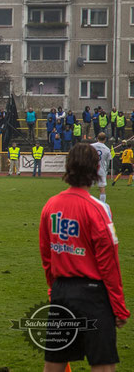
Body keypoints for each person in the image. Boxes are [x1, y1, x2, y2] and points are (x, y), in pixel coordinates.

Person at [39, 143, 129, 371]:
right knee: (103, 365)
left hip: (62, 293)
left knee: (54, 365)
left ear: (68, 167)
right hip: (93, 296)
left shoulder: (51, 205)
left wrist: (54, 288)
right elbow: (109, 263)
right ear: (96, 169)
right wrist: (118, 306)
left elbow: (47, 255)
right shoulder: (97, 209)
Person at [91, 133, 111, 203]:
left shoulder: (91, 146)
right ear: (105, 139)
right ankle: (102, 204)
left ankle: (85, 202)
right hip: (101, 170)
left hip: (91, 169)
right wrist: (106, 170)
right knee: (102, 188)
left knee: (87, 187)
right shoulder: (107, 149)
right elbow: (108, 161)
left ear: (97, 138)